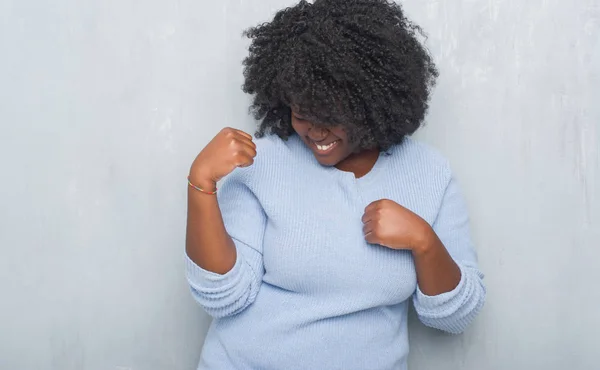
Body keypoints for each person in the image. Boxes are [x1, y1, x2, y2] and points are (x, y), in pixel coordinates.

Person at [184, 0, 486, 369]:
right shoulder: (261, 162)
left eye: (332, 117)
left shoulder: (429, 173)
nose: (316, 133)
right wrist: (201, 184)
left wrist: (423, 241)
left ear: (373, 104)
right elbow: (223, 299)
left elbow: (455, 317)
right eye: (303, 115)